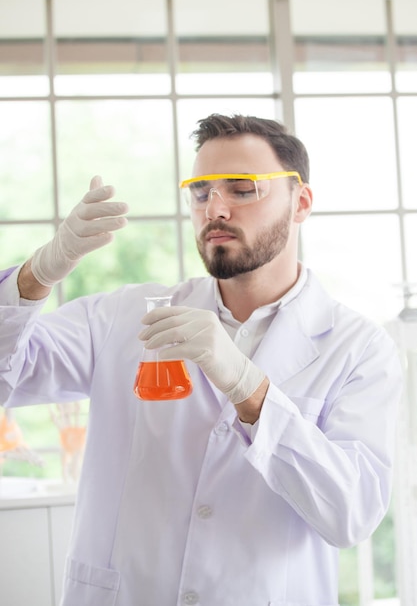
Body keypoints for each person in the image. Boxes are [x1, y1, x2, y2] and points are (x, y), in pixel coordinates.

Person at [0, 114, 402, 606]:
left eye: (241, 189)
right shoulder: (123, 316)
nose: (215, 208)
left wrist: (252, 392)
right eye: (201, 191)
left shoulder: (358, 348)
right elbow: (9, 380)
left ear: (301, 203)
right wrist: (36, 275)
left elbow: (351, 515)